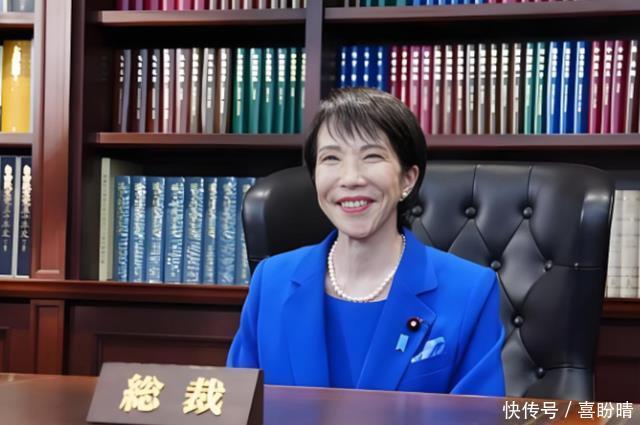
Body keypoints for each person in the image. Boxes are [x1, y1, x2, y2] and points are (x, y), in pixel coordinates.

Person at [227, 88, 505, 396]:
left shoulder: (470, 289)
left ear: (408, 179)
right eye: (331, 158)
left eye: (372, 156)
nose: (350, 178)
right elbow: (240, 406)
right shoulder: (271, 281)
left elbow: (478, 414)